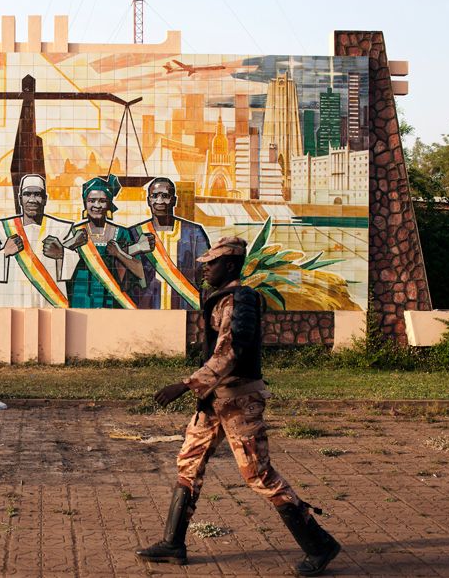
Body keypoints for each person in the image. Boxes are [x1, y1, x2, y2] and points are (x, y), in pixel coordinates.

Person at [135, 236, 341, 576]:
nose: (205, 268)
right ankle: (173, 544)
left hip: (239, 401)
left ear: (230, 265)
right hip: (214, 401)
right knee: (189, 463)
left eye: (211, 263)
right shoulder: (221, 298)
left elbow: (231, 351)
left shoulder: (239, 300)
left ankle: (320, 546)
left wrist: (185, 385)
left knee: (258, 475)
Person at [0, 174, 75, 308]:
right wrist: (4, 253)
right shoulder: (3, 229)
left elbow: (77, 269)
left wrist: (62, 254)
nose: (32, 200)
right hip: (14, 301)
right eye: (27, 194)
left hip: (50, 303)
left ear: (45, 199)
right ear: (20, 199)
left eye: (37, 194)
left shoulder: (62, 229)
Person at [65, 174, 145, 309]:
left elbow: (139, 271)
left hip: (111, 299)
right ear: (85, 203)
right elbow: (58, 264)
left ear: (109, 204)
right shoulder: (73, 232)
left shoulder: (122, 234)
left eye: (102, 201)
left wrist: (119, 254)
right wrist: (72, 243)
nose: (97, 205)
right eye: (92, 200)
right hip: (80, 299)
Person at [129, 177, 210, 310]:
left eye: (165, 196)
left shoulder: (194, 232)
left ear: (174, 200)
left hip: (185, 308)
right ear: (148, 200)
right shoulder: (135, 233)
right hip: (146, 309)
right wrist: (136, 248)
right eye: (154, 196)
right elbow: (119, 268)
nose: (160, 201)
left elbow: (206, 273)